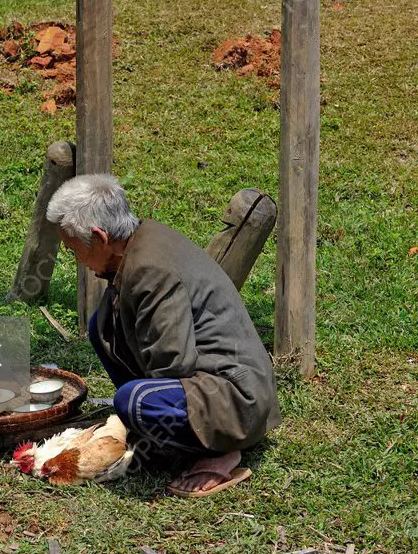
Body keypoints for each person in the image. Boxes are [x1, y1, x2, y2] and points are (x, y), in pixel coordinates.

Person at [46, 174, 280, 497]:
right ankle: (165, 436)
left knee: (135, 402)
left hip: (236, 399)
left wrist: (139, 415)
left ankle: (219, 451)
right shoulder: (138, 242)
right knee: (102, 326)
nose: (77, 260)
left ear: (100, 238)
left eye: (74, 249)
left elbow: (173, 366)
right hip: (216, 384)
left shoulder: (149, 269)